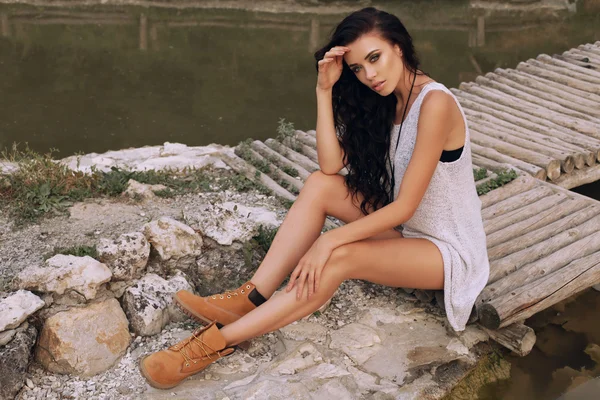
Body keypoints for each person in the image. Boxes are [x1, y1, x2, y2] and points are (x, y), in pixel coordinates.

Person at [139, 7, 490, 389]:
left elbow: (403, 206)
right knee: (320, 186)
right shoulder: (386, 98)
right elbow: (329, 164)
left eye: (375, 58)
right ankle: (249, 297)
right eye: (357, 68)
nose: (369, 75)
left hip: (446, 251)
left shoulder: (435, 103)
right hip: (409, 230)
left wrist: (329, 239)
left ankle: (210, 346)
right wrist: (324, 89)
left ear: (399, 47)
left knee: (339, 257)